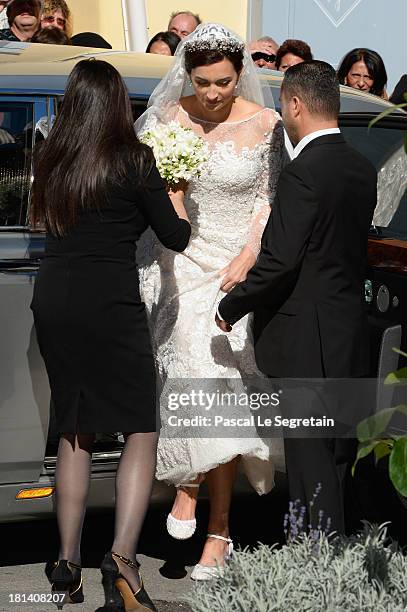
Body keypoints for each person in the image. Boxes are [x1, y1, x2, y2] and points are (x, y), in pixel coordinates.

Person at [30, 59, 191, 610]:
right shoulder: (134, 160)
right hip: (109, 303)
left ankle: (66, 561)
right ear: (119, 104)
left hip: (53, 299)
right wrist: (177, 192)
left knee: (75, 429)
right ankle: (122, 559)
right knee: (140, 428)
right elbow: (175, 235)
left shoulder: (52, 158)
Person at [136, 23, 284, 579]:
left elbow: (271, 200)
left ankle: (216, 530)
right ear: (187, 76)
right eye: (203, 83)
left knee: (221, 389)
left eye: (223, 81)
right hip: (181, 262)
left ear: (239, 73)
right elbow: (149, 196)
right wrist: (170, 193)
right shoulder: (172, 119)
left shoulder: (266, 124)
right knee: (195, 373)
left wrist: (250, 254)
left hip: (236, 268)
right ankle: (191, 491)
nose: (214, 93)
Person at [217, 60, 377, 534]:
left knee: (310, 464)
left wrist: (232, 305)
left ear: (295, 104)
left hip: (306, 338)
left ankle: (317, 568)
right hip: (346, 331)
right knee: (334, 459)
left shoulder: (303, 172)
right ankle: (330, 560)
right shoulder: (361, 167)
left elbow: (280, 261)